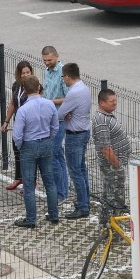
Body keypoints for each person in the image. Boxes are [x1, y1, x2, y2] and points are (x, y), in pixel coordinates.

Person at [12, 75, 59, 228]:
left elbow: (17, 135)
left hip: (29, 145)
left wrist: (21, 147)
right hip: (45, 142)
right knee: (49, 181)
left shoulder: (23, 109)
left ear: (24, 90)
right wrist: (49, 139)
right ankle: (54, 215)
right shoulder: (49, 104)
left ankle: (31, 219)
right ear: (39, 87)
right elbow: (55, 127)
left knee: (28, 183)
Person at [92, 89, 132, 226]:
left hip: (114, 164)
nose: (115, 103)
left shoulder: (106, 116)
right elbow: (106, 148)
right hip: (112, 166)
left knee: (108, 194)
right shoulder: (102, 121)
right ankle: (114, 230)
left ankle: (105, 223)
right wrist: (118, 166)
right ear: (101, 103)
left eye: (115, 100)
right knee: (115, 198)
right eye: (112, 101)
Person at [57, 63, 91, 219]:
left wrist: (65, 114)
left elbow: (60, 114)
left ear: (67, 77)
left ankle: (83, 206)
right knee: (81, 169)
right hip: (84, 131)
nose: (63, 80)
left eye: (63, 77)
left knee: (75, 171)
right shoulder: (84, 88)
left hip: (74, 134)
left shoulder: (73, 92)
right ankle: (85, 200)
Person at [41, 46, 69, 203]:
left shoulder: (62, 73)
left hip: (59, 119)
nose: (47, 63)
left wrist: (49, 102)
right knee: (58, 155)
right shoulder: (47, 71)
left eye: (49, 60)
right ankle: (64, 189)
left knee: (52, 155)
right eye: (44, 60)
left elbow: (68, 98)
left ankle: (60, 192)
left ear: (57, 56)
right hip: (49, 118)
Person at [1, 61, 34, 190]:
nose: (25, 75)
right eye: (23, 73)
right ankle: (18, 177)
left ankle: (30, 181)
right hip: (18, 122)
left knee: (28, 154)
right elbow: (12, 104)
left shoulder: (35, 86)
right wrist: (6, 121)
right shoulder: (16, 86)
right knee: (17, 151)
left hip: (30, 125)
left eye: (27, 72)